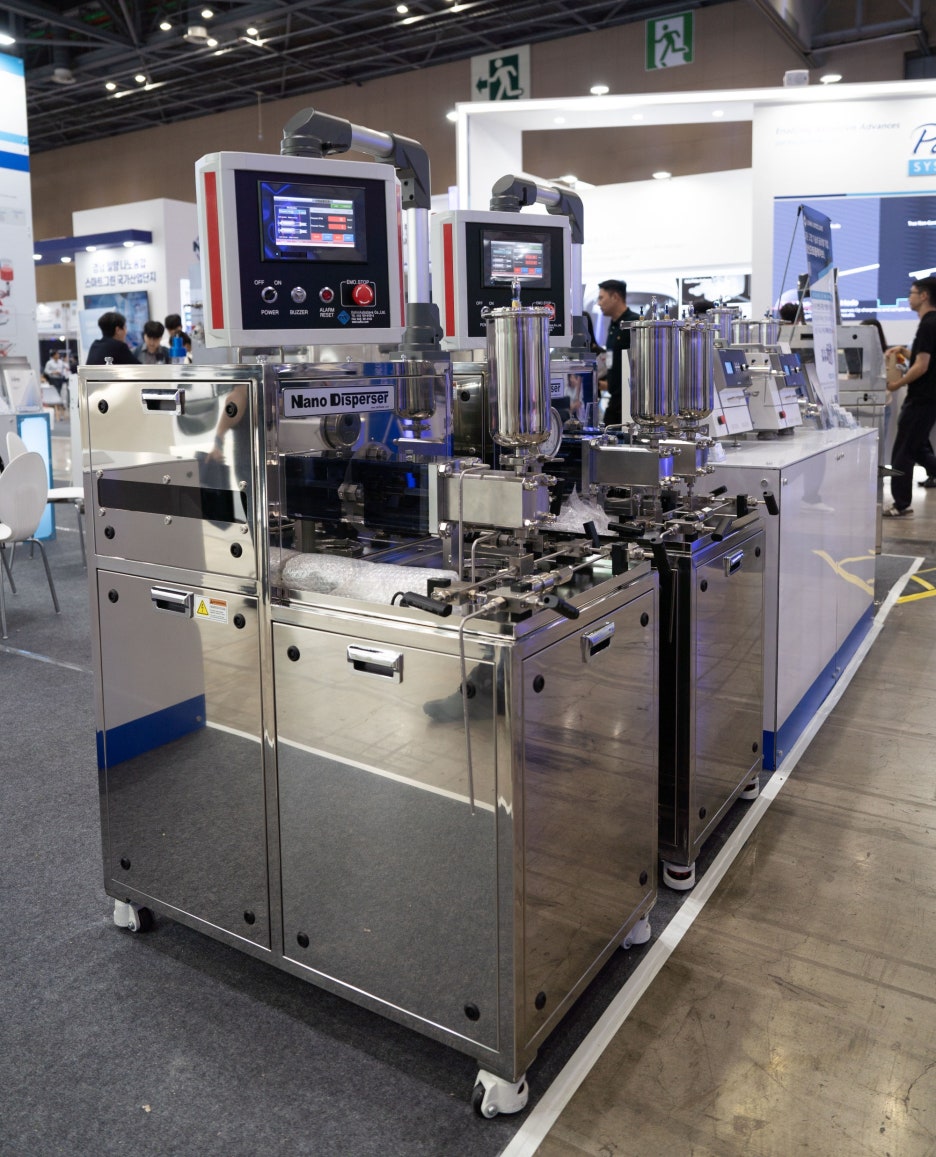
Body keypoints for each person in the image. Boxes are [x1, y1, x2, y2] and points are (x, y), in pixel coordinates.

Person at [883, 277, 936, 516]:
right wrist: (905, 351)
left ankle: (901, 503)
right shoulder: (932, 323)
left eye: (912, 293)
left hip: (921, 398)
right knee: (918, 448)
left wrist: (897, 384)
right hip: (929, 398)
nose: (909, 297)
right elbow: (925, 358)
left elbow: (922, 366)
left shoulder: (927, 324)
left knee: (903, 452)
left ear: (924, 296)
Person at [596, 279, 639, 426]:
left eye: (601, 298)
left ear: (615, 297)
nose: (599, 303)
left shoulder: (634, 323)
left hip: (630, 401)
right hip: (615, 397)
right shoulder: (614, 325)